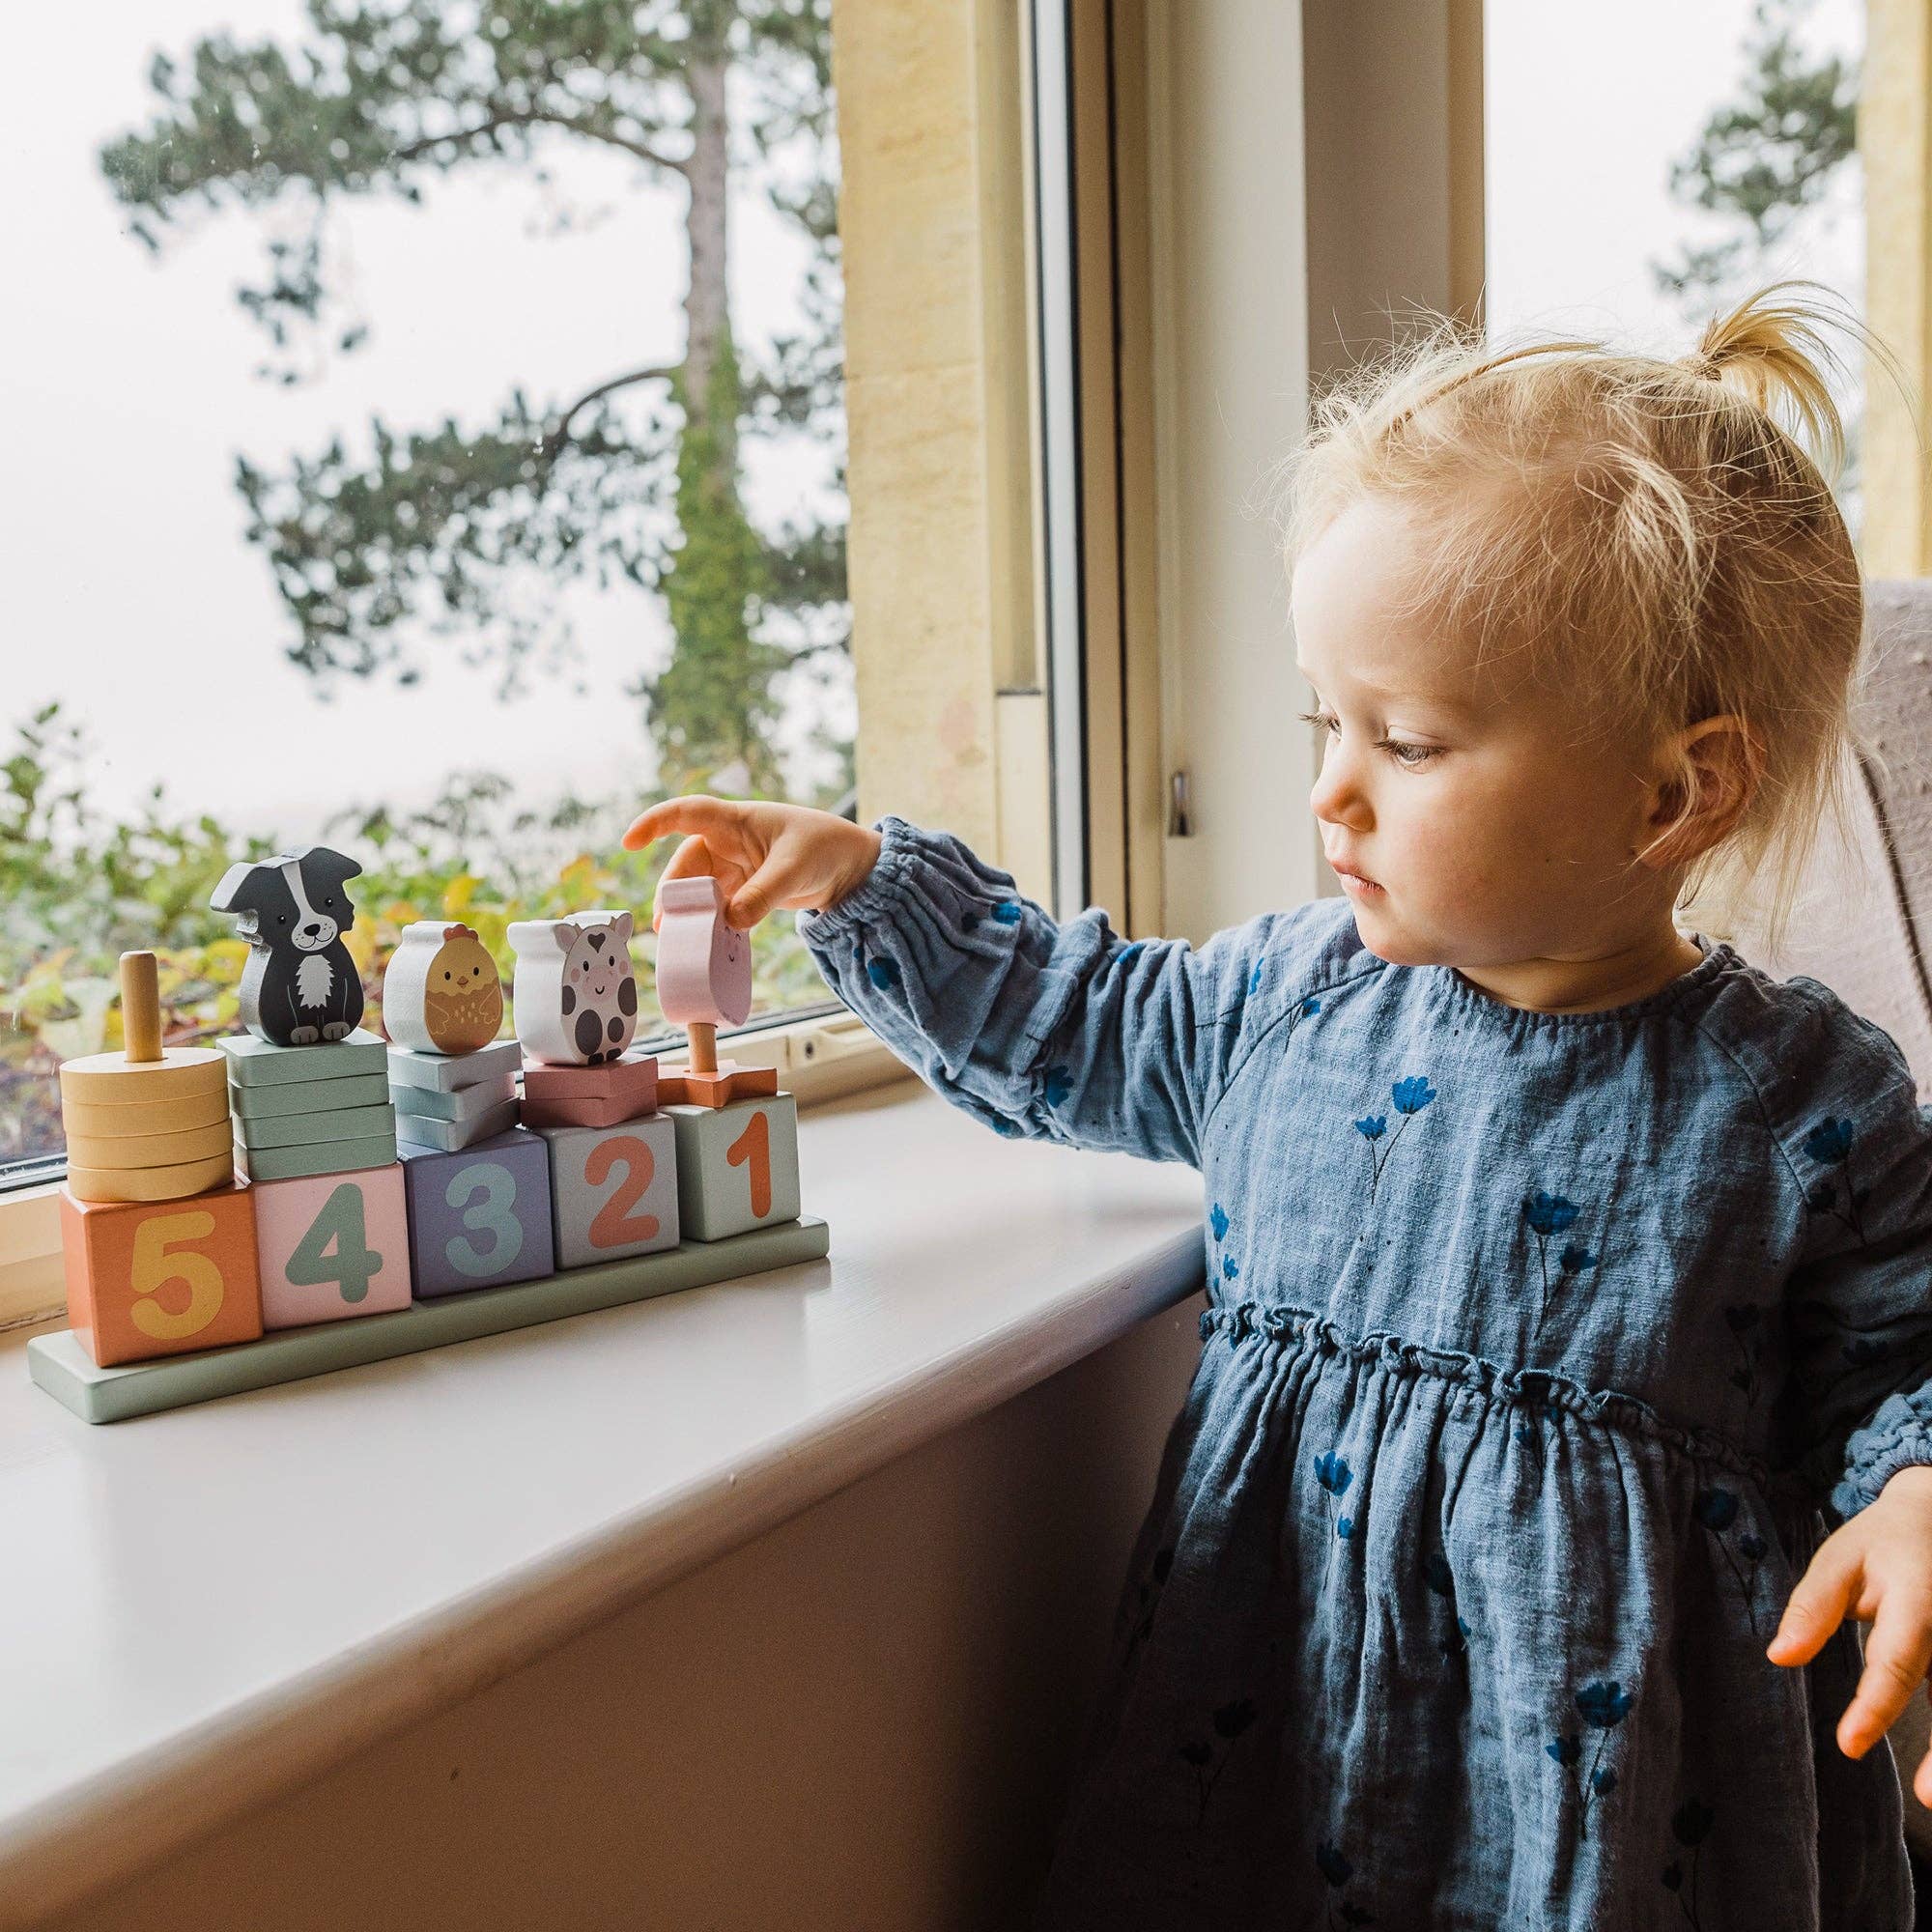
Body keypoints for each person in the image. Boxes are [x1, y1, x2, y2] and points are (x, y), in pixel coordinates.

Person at [622, 280, 1932, 1928]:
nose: (1331, 790)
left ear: (1676, 791)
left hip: (1613, 1823)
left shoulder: (1799, 1101)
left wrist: (1918, 1493)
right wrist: (864, 883)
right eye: (1327, 722)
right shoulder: (1282, 1005)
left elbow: (1907, 1359)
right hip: (1266, 1752)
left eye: (1410, 743)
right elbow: (1070, 1018)